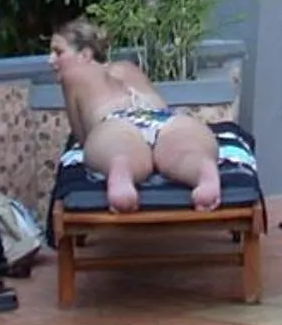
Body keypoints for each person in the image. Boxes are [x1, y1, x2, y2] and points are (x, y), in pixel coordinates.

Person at [49, 16, 222, 213]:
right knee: (184, 150)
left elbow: (82, 136)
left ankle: (122, 173)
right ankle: (202, 169)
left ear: (85, 54)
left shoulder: (72, 76)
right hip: (163, 119)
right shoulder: (128, 67)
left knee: (120, 153)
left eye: (58, 52)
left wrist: (97, 143)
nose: (51, 60)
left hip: (115, 121)